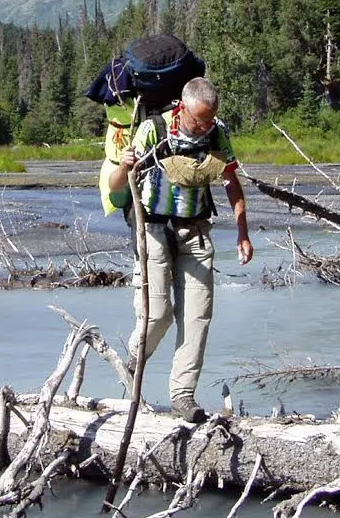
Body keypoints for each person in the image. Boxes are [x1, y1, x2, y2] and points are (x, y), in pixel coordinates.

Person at [107, 77, 253, 423]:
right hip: (153, 229)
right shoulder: (152, 130)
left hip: (197, 231)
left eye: (210, 118)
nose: (205, 126)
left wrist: (243, 233)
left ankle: (183, 397)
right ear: (182, 108)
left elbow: (231, 181)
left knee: (197, 316)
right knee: (158, 314)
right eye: (200, 119)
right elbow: (116, 188)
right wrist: (125, 166)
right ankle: (133, 360)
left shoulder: (218, 133)